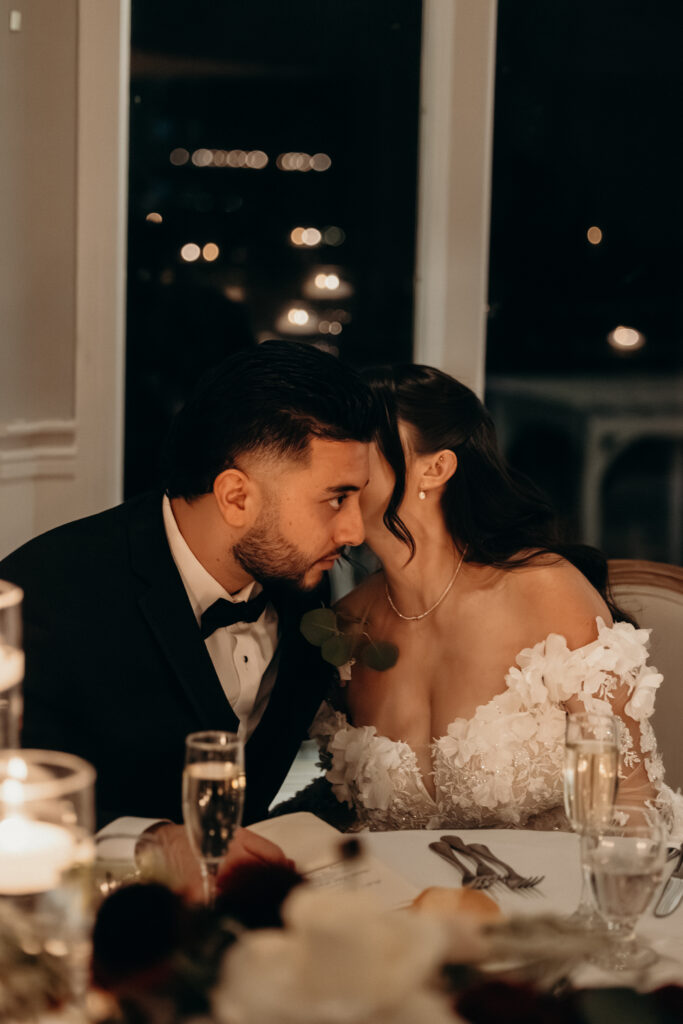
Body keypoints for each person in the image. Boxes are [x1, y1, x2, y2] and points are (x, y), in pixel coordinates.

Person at [0, 341, 372, 833]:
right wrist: (148, 842)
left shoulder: (304, 586)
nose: (355, 532)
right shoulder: (45, 598)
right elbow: (18, 803)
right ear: (236, 497)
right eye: (336, 499)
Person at [311, 364, 679, 832]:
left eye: (362, 441)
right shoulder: (347, 625)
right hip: (404, 902)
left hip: (557, 896)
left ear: (436, 468)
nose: (339, 460)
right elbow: (340, 807)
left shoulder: (545, 592)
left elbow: (630, 799)